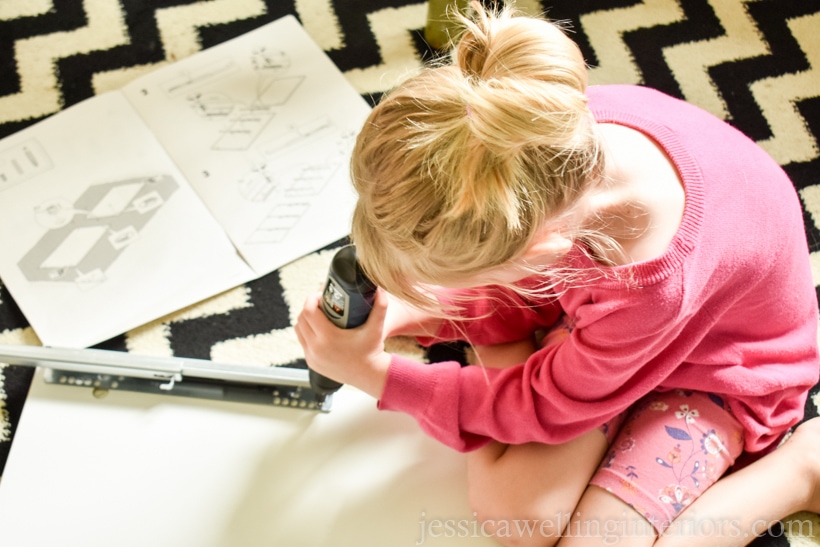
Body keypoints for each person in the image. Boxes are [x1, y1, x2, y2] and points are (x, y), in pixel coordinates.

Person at [295, 3, 820, 545]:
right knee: (517, 513)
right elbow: (520, 271)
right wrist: (406, 311)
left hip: (719, 369)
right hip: (609, 331)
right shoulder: (539, 132)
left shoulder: (648, 284)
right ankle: (510, 336)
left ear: (545, 248)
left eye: (468, 278)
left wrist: (380, 378)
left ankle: (801, 471)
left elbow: (545, 406)